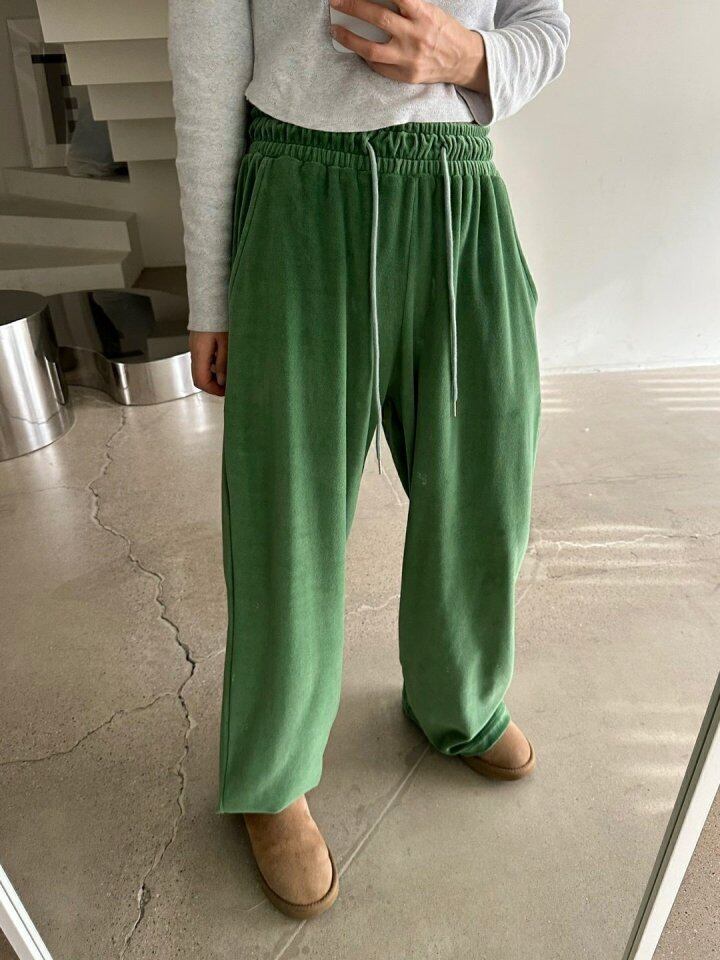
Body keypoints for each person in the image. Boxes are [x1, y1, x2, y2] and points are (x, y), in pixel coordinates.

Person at [168, 0, 570, 919]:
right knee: (287, 505)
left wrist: (469, 55)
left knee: (485, 473)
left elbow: (546, 24)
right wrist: (209, 295)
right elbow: (205, 74)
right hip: (297, 190)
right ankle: (272, 772)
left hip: (457, 190)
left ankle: (458, 698)